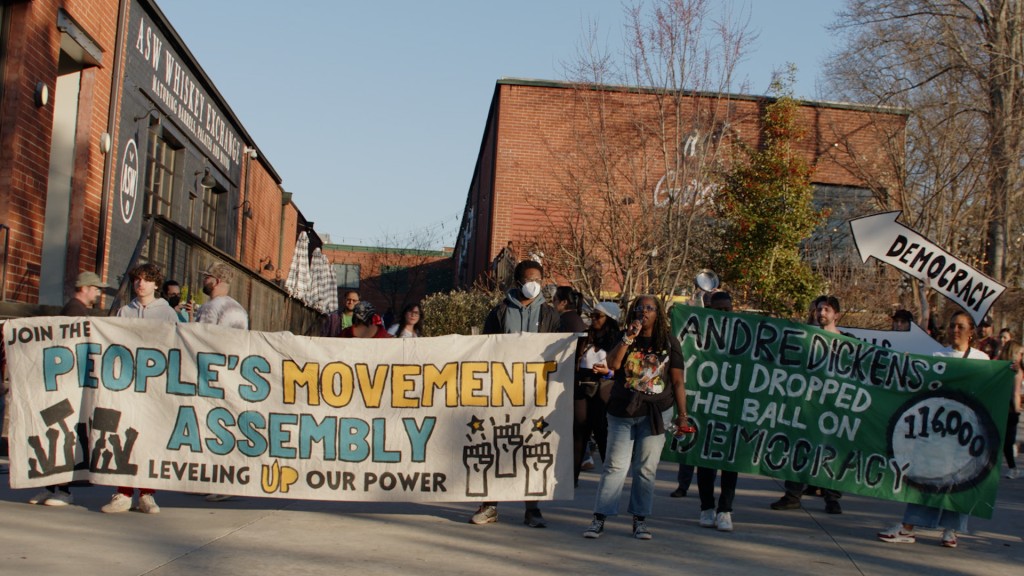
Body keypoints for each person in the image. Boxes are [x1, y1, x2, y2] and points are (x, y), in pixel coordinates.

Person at [878, 309, 989, 548]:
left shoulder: (982, 360)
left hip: (964, 433)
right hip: (937, 432)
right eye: (952, 326)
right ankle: (908, 527)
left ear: (971, 332)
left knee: (959, 482)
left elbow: (990, 390)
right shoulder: (938, 355)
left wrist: (1009, 373)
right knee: (926, 477)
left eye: (960, 326)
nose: (954, 330)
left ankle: (951, 531)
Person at [582, 295, 689, 540]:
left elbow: (677, 381)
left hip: (656, 413)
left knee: (645, 469)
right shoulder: (625, 337)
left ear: (658, 313)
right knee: (615, 466)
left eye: (649, 308)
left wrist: (682, 416)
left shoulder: (669, 342)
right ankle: (599, 518)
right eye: (639, 308)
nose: (644, 312)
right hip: (622, 411)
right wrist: (628, 337)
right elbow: (612, 364)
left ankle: (640, 520)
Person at [470, 259, 560, 528]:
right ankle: (490, 505)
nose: (535, 285)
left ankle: (532, 509)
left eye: (539, 279)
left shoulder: (551, 316)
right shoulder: (499, 312)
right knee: (497, 444)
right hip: (502, 390)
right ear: (518, 282)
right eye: (530, 279)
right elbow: (485, 348)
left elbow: (559, 353)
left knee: (532, 448)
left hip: (536, 394)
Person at [28, 272, 109, 506]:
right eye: (96, 289)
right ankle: (61, 489)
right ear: (85, 288)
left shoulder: (72, 308)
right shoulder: (75, 310)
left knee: (59, 434)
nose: (98, 293)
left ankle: (53, 487)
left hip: (65, 382)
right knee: (64, 436)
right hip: (67, 383)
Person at [106, 263, 179, 513]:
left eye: (146, 280)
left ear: (156, 284)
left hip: (155, 385)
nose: (141, 284)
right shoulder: (124, 311)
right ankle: (122, 492)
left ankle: (147, 493)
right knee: (123, 435)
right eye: (137, 280)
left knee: (150, 437)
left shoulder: (166, 313)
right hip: (126, 382)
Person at [771, 295, 844, 515]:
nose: (822, 313)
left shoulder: (848, 342)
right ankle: (793, 495)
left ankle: (832, 498)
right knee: (799, 450)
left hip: (834, 407)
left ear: (836, 315)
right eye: (819, 309)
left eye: (827, 310)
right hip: (807, 406)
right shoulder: (806, 339)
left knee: (832, 454)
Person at [195, 262, 249, 502]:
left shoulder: (211, 307)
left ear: (215, 281)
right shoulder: (238, 309)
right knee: (227, 428)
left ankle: (214, 480)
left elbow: (198, 339)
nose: (203, 281)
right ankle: (227, 479)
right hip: (233, 373)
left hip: (210, 373)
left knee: (208, 427)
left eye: (206, 277)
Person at [696, 290, 739, 531]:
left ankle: (725, 509)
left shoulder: (745, 335)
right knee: (705, 460)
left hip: (733, 407)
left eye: (727, 310)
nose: (723, 314)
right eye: (718, 310)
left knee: (730, 460)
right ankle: (706, 507)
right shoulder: (700, 335)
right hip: (707, 405)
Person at [574, 301, 620, 485]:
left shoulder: (618, 340)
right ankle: (572, 478)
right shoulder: (586, 337)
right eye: (592, 315)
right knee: (579, 433)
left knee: (603, 434)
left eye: (598, 316)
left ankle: (610, 480)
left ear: (610, 319)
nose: (593, 319)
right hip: (582, 387)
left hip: (604, 388)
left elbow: (622, 370)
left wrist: (607, 372)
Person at [194, 263, 248, 330]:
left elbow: (200, 336)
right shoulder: (241, 310)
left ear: (217, 281)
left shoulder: (209, 307)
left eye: (207, 277)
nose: (203, 280)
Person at [998, 340, 1022, 480]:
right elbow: (1015, 394)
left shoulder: (1000, 367)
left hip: (999, 406)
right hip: (1010, 409)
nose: (1021, 357)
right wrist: (1017, 410)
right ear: (1014, 353)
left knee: (1002, 440)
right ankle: (1013, 468)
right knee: (1008, 441)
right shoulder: (1016, 372)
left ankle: (1012, 467)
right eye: (1020, 353)